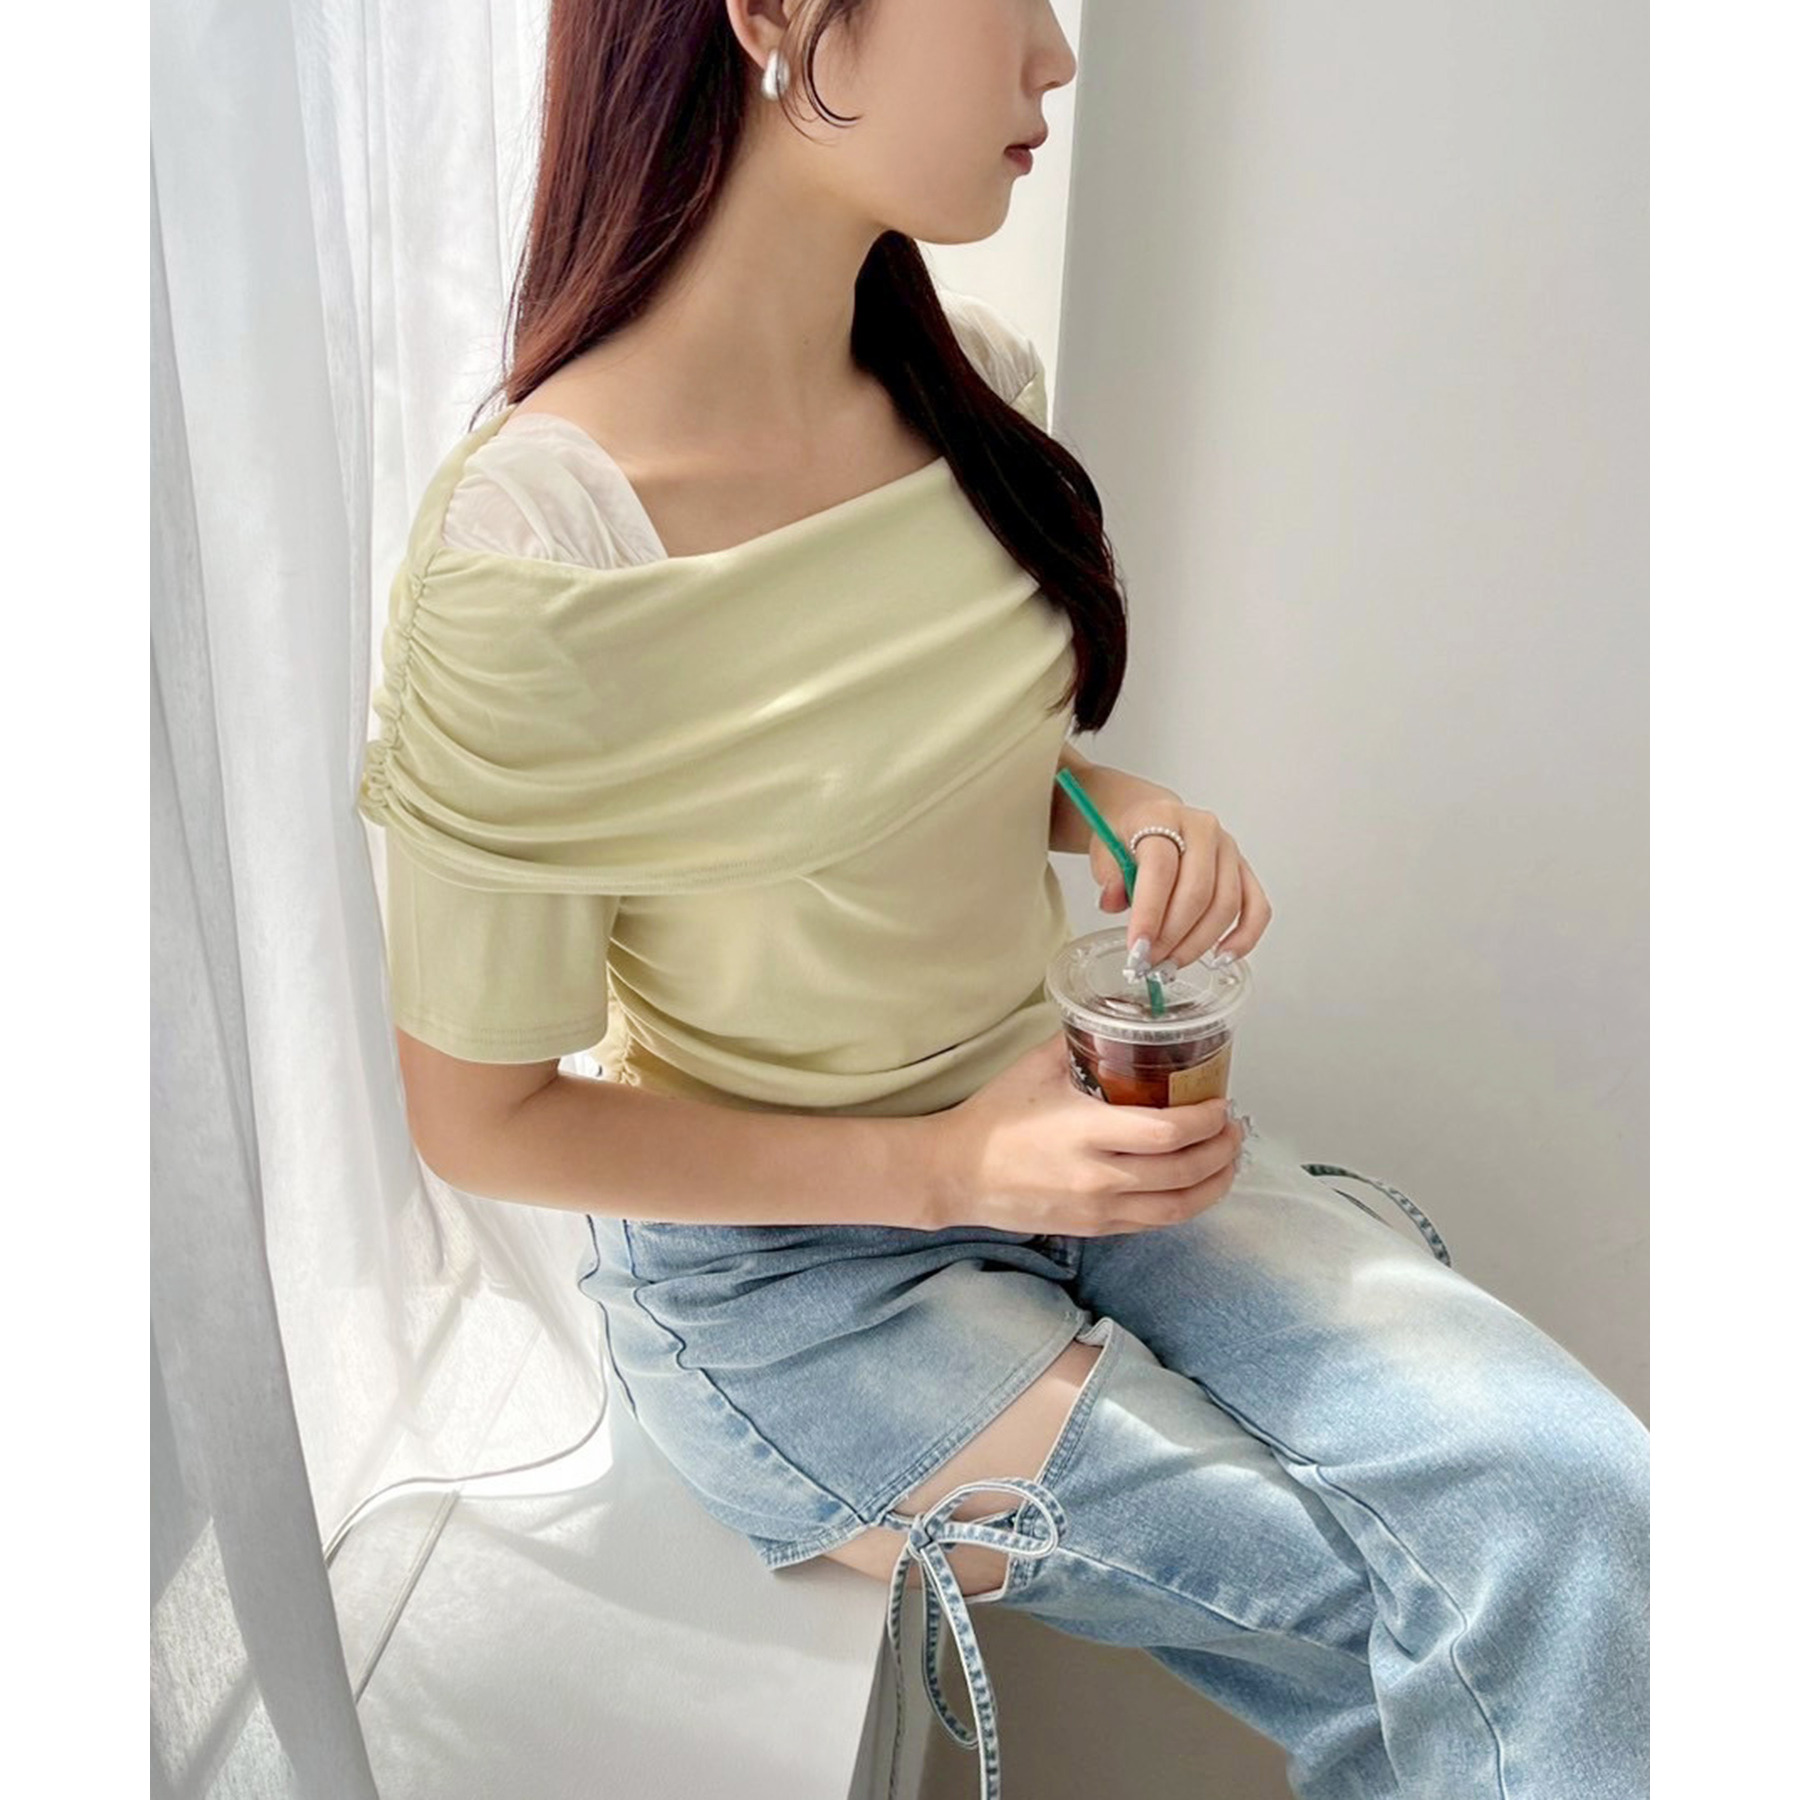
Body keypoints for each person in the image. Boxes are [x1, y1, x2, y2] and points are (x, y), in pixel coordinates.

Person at [355, 4, 1650, 1796]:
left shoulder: (971, 388)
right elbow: (480, 1116)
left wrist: (1123, 809)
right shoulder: (537, 551)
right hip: (796, 1284)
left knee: (1584, 1505)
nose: (1054, 55)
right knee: (1429, 1605)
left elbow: (894, 769)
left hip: (1082, 1139)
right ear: (774, 17)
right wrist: (953, 1167)